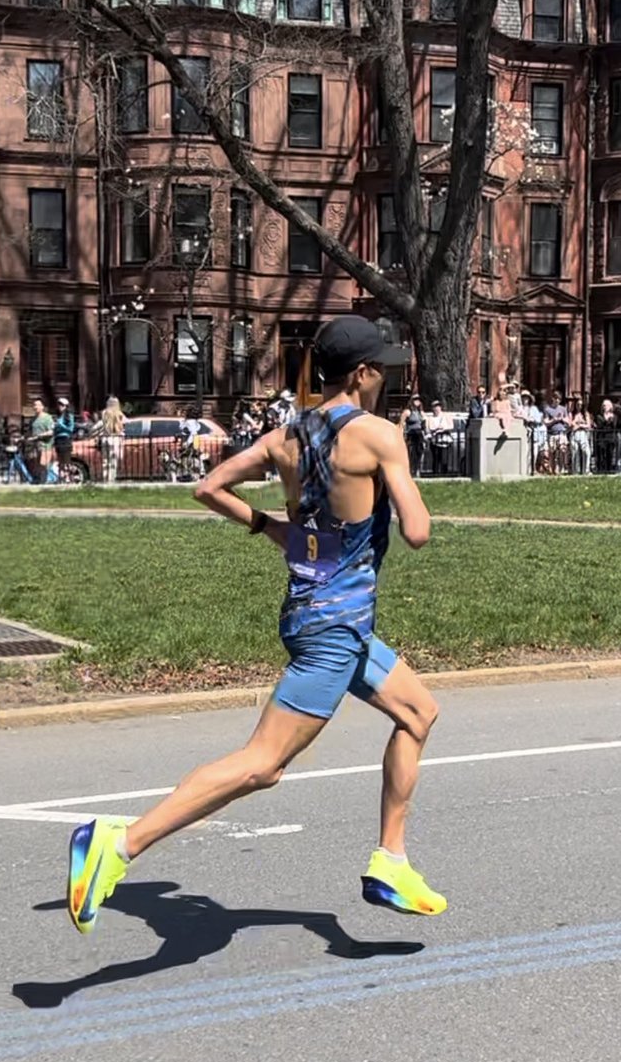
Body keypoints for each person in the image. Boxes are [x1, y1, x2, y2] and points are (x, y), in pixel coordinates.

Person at [66, 314, 446, 936]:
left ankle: (391, 861)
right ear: (363, 373)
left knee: (418, 712)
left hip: (317, 618)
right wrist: (398, 483)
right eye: (384, 370)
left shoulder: (284, 437)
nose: (388, 381)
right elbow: (418, 532)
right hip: (334, 631)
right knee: (261, 765)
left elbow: (209, 486)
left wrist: (273, 527)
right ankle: (119, 843)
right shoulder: (379, 436)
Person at [99, 395, 125, 484]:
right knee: (113, 461)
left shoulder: (104, 413)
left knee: (105, 460)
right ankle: (111, 480)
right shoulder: (119, 414)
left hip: (105, 437)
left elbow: (102, 424)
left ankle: (105, 479)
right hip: (115, 438)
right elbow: (125, 423)